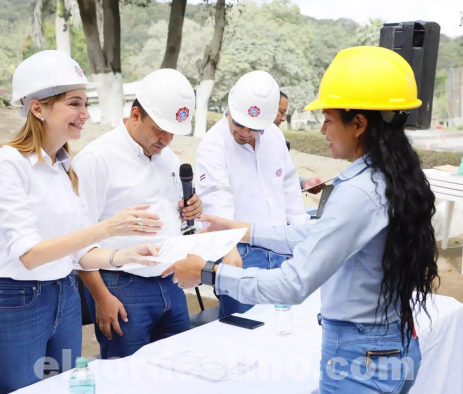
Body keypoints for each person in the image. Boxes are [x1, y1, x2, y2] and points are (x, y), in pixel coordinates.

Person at [164, 46, 440, 393]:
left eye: (328, 118)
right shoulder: (391, 176)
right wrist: (244, 231)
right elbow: (324, 235)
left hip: (358, 359)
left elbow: (293, 285)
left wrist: (207, 272)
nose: (322, 128)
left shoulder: (357, 193)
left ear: (359, 124)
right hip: (393, 343)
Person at [0, 50, 162, 394]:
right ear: (38, 107)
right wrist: (109, 228)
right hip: (17, 300)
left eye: (86, 105)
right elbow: (30, 254)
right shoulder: (6, 164)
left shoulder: (65, 167)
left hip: (64, 293)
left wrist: (128, 255)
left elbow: (77, 254)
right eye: (75, 104)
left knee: (66, 388)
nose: (85, 115)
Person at [73, 68, 203, 359]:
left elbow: (171, 218)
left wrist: (189, 210)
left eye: (173, 132)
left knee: (181, 368)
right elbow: (78, 242)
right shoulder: (96, 160)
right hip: (121, 286)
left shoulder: (168, 158)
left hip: (169, 282)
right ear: (135, 115)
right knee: (126, 378)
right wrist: (101, 297)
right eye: (159, 129)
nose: (166, 139)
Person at [195, 71, 309, 318]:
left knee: (283, 326)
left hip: (282, 251)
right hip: (242, 255)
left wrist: (301, 242)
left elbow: (289, 191)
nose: (245, 132)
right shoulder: (213, 144)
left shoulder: (275, 137)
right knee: (244, 334)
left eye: (254, 128)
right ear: (230, 105)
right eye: (239, 124)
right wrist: (229, 249)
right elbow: (217, 202)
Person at [276, 90, 326, 194]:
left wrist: (305, 183)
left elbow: (282, 177)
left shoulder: (278, 141)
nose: (283, 119)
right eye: (281, 112)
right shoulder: (244, 142)